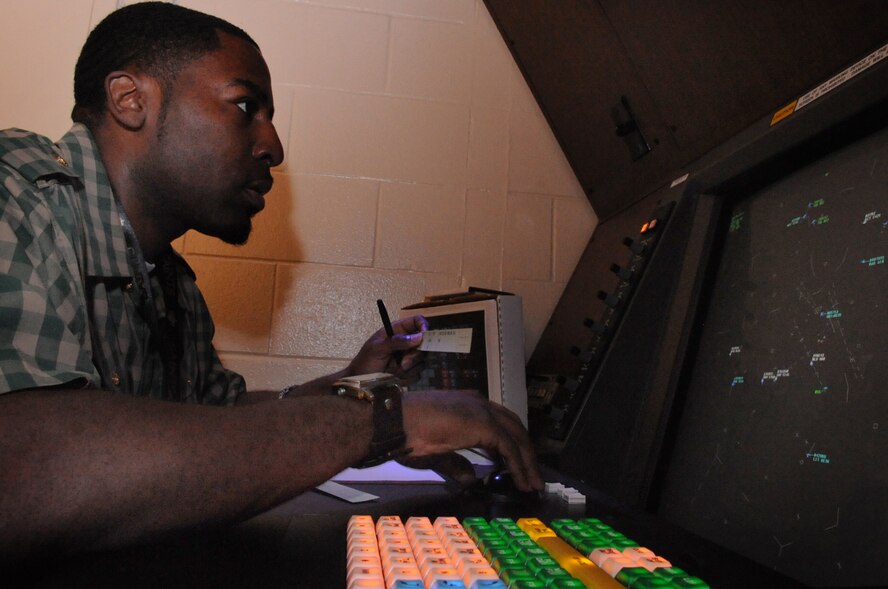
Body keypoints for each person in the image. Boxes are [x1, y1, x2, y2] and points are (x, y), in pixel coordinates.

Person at [0, 1, 542, 569]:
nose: (274, 147)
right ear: (131, 100)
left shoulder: (170, 281)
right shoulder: (17, 196)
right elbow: (26, 470)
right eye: (245, 106)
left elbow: (221, 423)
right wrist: (378, 419)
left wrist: (347, 386)